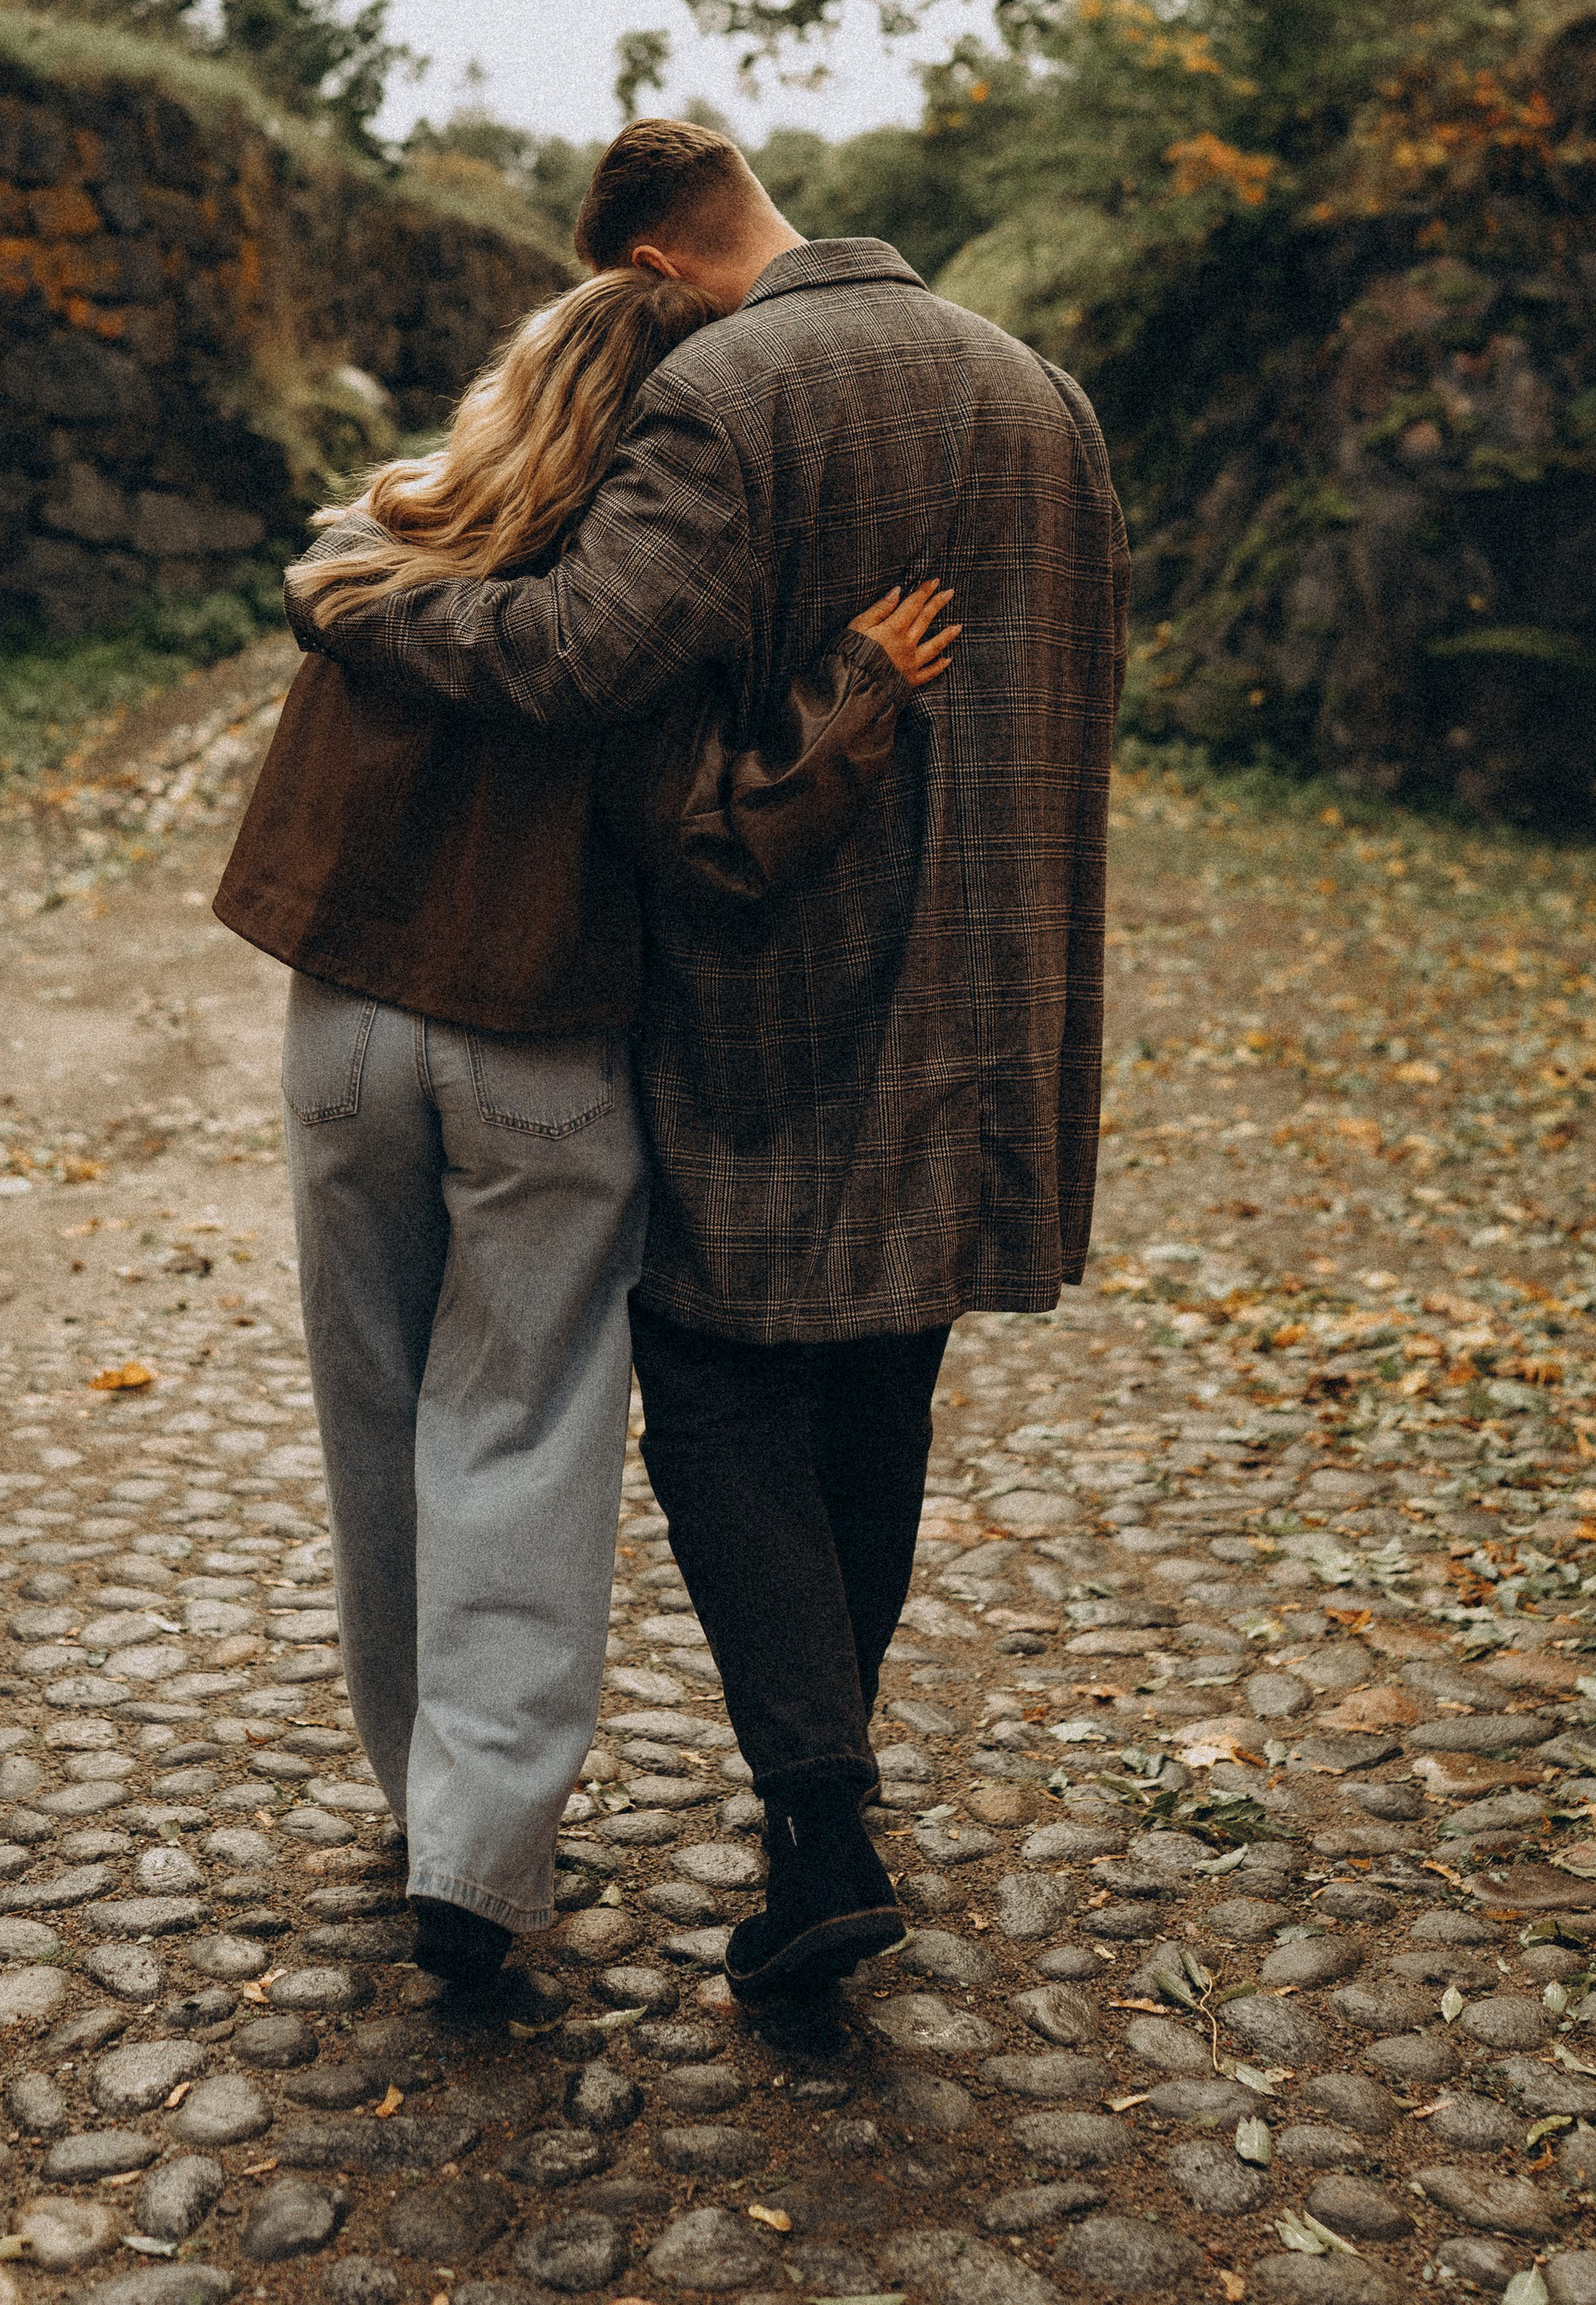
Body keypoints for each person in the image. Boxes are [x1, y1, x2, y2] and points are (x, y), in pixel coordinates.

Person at [288, 118, 1129, 1999]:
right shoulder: (1045, 396)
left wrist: (366, 587)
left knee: (730, 1386)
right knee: (881, 1394)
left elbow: (585, 654)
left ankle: (821, 1819)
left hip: (774, 988)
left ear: (647, 269)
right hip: (993, 995)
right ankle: (815, 1810)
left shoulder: (721, 392)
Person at [215, 264, 958, 2001]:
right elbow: (713, 842)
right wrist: (852, 696)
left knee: (374, 1414)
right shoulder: (626, 606)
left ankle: (419, 1796)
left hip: (342, 1029)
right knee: (518, 1433)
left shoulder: (376, 541)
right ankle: (476, 1864)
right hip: (535, 1047)